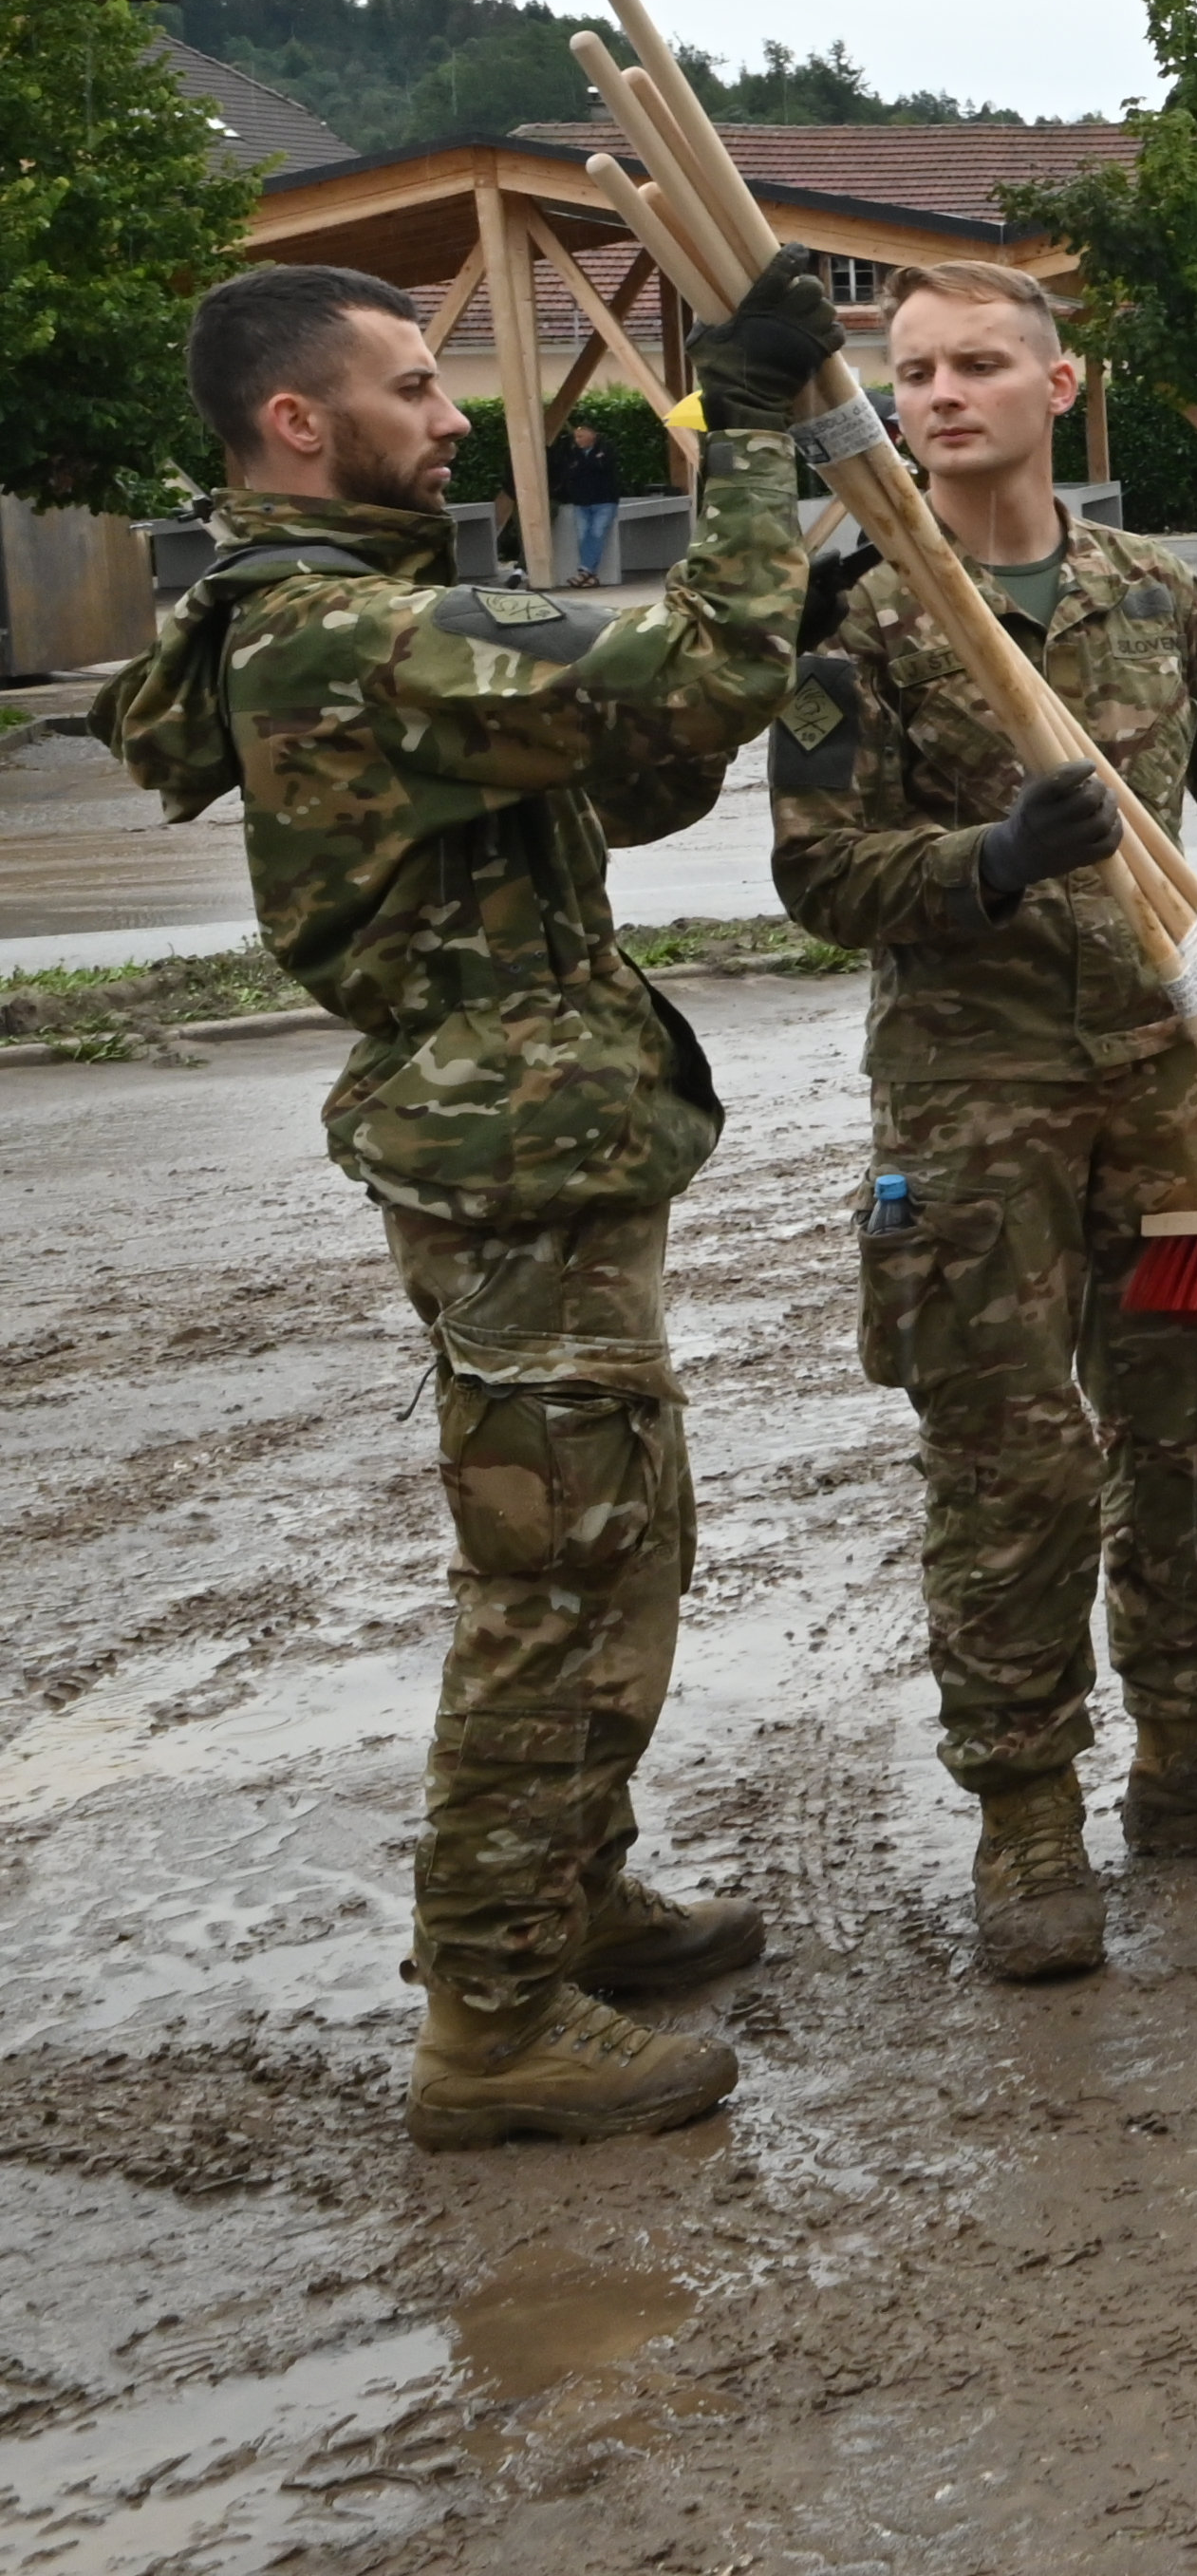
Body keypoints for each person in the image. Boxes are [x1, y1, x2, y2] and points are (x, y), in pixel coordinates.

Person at [94, 248, 839, 2146]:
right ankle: (492, 2017)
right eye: (415, 386)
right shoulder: (326, 632)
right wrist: (743, 438)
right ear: (296, 419)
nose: (447, 416)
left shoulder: (378, 613)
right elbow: (695, 665)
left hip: (550, 1139)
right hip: (503, 1155)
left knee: (627, 1530)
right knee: (557, 1567)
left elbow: (628, 768)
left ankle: (565, 1888)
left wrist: (763, 625)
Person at [765, 260, 1197, 1984]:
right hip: (978, 1099)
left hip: (1164, 1071)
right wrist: (983, 860)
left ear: (1061, 384)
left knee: (1188, 1431)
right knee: (1011, 1459)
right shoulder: (865, 610)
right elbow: (813, 870)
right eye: (913, 369)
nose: (942, 391)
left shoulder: (1147, 589)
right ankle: (1025, 1813)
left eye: (978, 362)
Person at [551, 412, 624, 586]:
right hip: (581, 501)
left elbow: (602, 466)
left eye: (581, 436)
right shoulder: (572, 453)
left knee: (597, 533)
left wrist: (585, 466)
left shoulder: (606, 448)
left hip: (604, 500)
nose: (577, 440)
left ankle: (583, 571)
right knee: (583, 536)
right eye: (576, 436)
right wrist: (588, 466)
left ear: (593, 435)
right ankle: (591, 576)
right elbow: (570, 472)